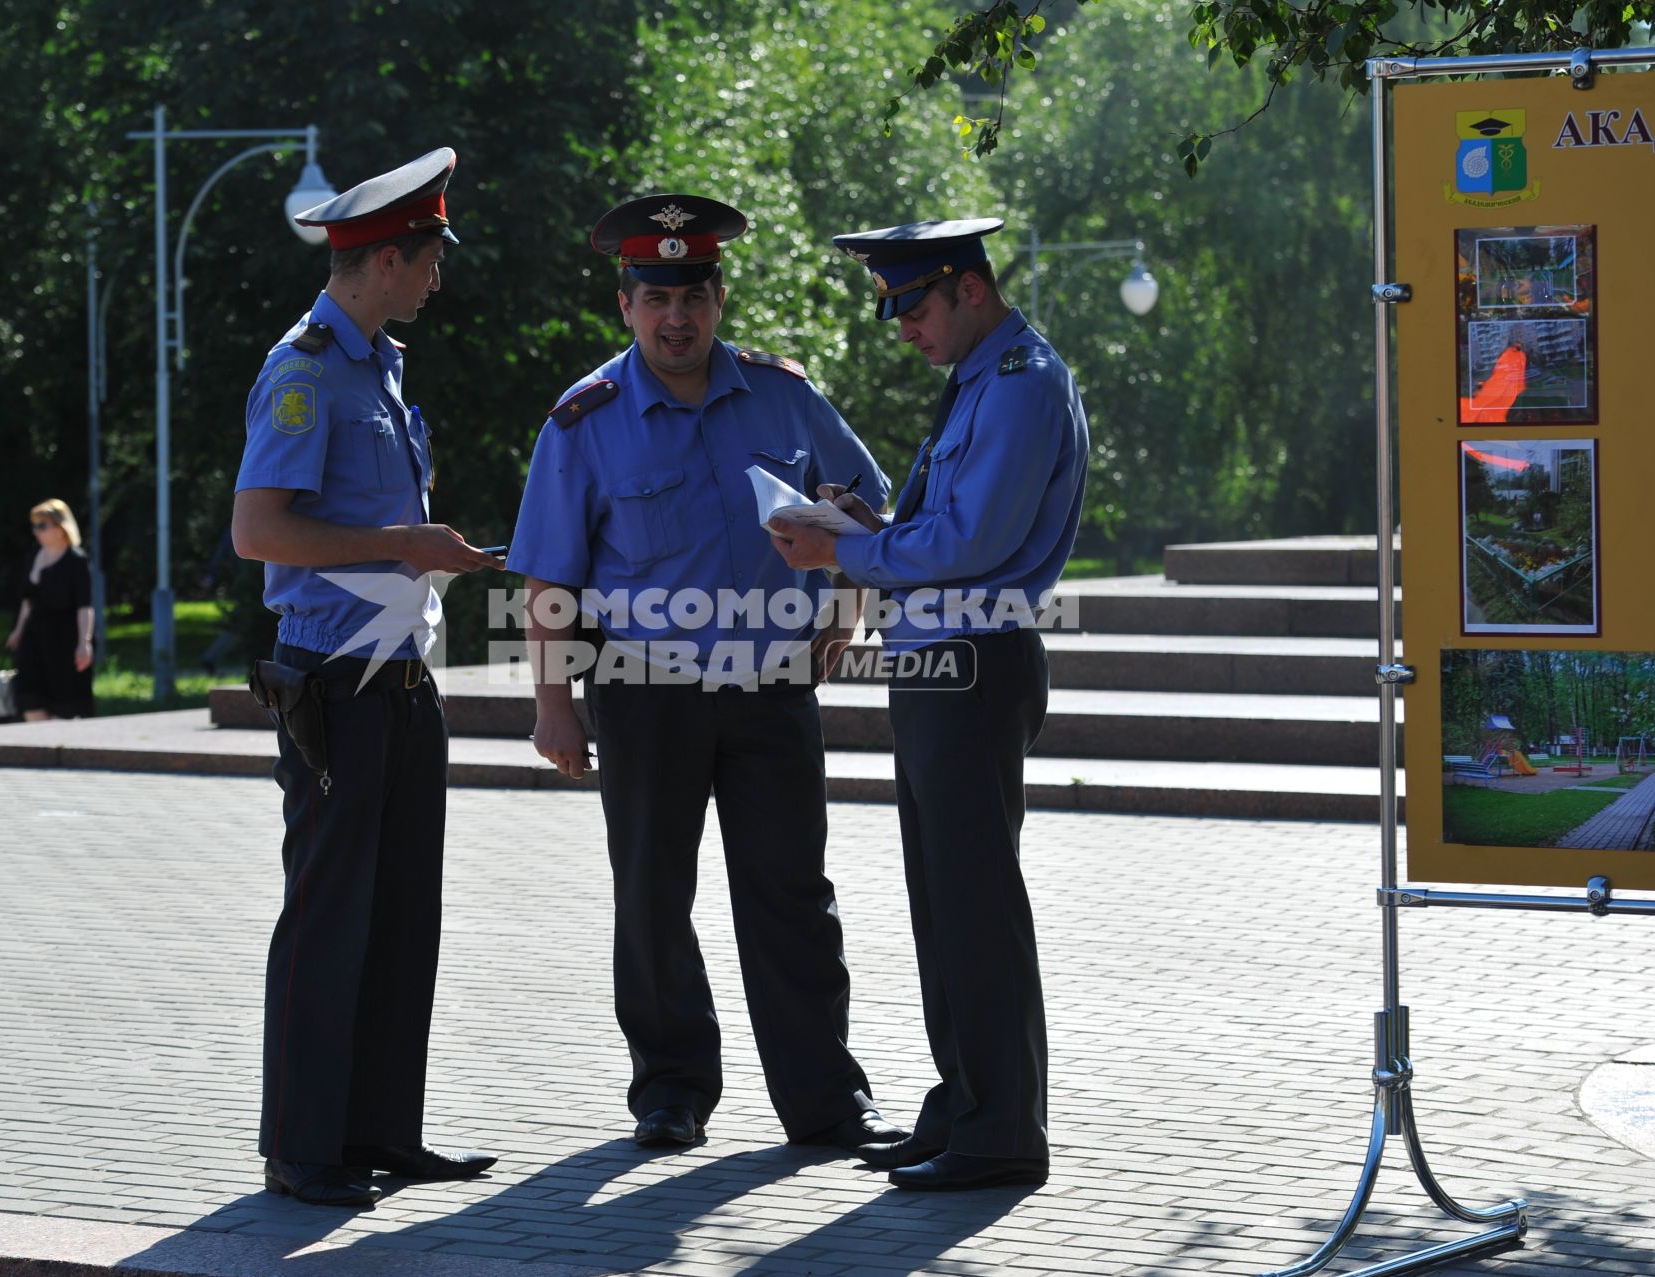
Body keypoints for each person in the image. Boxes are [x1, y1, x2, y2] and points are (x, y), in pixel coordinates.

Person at [510, 193, 903, 1155]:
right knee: (652, 894)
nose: (674, 317)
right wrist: (553, 705)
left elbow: (865, 499)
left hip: (772, 685)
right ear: (625, 304)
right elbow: (549, 575)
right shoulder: (584, 419)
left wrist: (847, 596)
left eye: (692, 295)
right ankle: (672, 1088)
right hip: (644, 690)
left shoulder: (785, 395)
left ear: (719, 297)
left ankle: (824, 1099)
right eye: (655, 297)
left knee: (793, 895)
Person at [769, 219, 1089, 1191]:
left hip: (976, 657)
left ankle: (1002, 1130)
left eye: (912, 304)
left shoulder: (1025, 381)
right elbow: (944, 530)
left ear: (970, 288)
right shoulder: (982, 382)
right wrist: (869, 526)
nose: (903, 325)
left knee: (976, 905)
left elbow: (971, 542)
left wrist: (844, 552)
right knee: (945, 905)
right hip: (941, 656)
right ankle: (964, 1102)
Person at [230, 147, 502, 1210]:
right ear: (386, 257)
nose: (438, 277)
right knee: (330, 913)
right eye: (430, 257)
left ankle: (383, 1129)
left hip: (397, 678)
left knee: (400, 914)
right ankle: (303, 1145)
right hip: (333, 682)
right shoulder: (303, 370)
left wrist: (419, 552)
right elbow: (262, 531)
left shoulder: (379, 365)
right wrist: (405, 543)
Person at [5, 499, 95, 720]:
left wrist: (84, 642)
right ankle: (39, 744)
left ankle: (60, 744)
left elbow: (85, 606)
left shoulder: (76, 561)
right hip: (34, 634)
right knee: (29, 693)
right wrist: (18, 631)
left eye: (42, 525)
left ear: (60, 527)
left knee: (64, 699)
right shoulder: (35, 554)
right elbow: (28, 600)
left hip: (64, 638)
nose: (36, 531)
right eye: (35, 525)